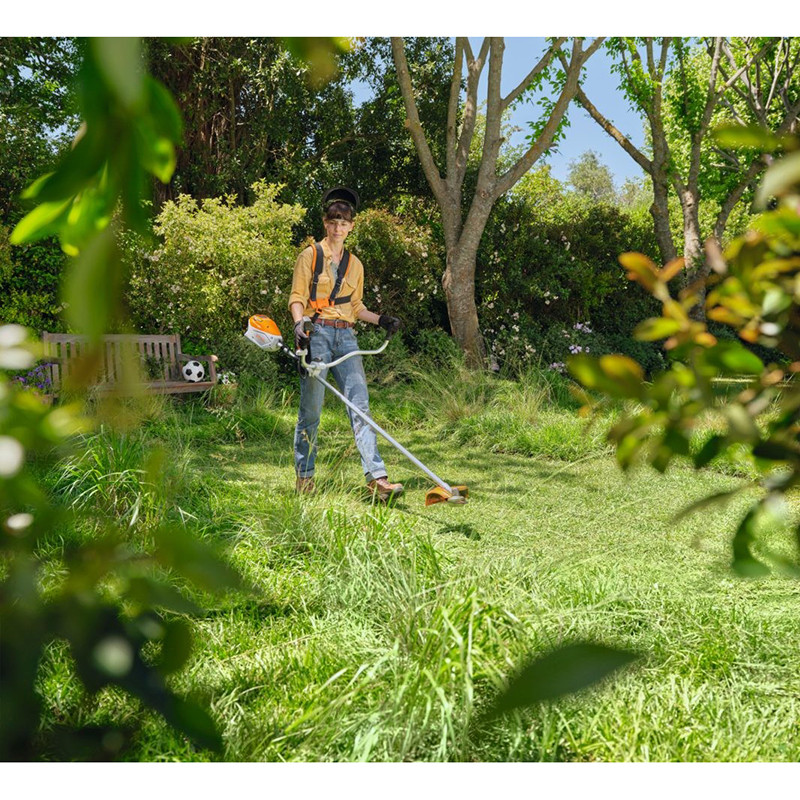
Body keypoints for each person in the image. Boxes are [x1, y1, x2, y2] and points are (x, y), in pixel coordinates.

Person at [288, 186, 403, 501]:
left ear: (351, 226)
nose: (338, 228)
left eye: (344, 223)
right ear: (325, 223)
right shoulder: (310, 256)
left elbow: (356, 306)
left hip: (347, 337)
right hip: (317, 334)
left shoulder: (355, 264)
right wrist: (299, 324)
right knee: (311, 410)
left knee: (359, 406)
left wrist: (381, 320)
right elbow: (297, 298)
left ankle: (377, 479)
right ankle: (305, 478)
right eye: (333, 222)